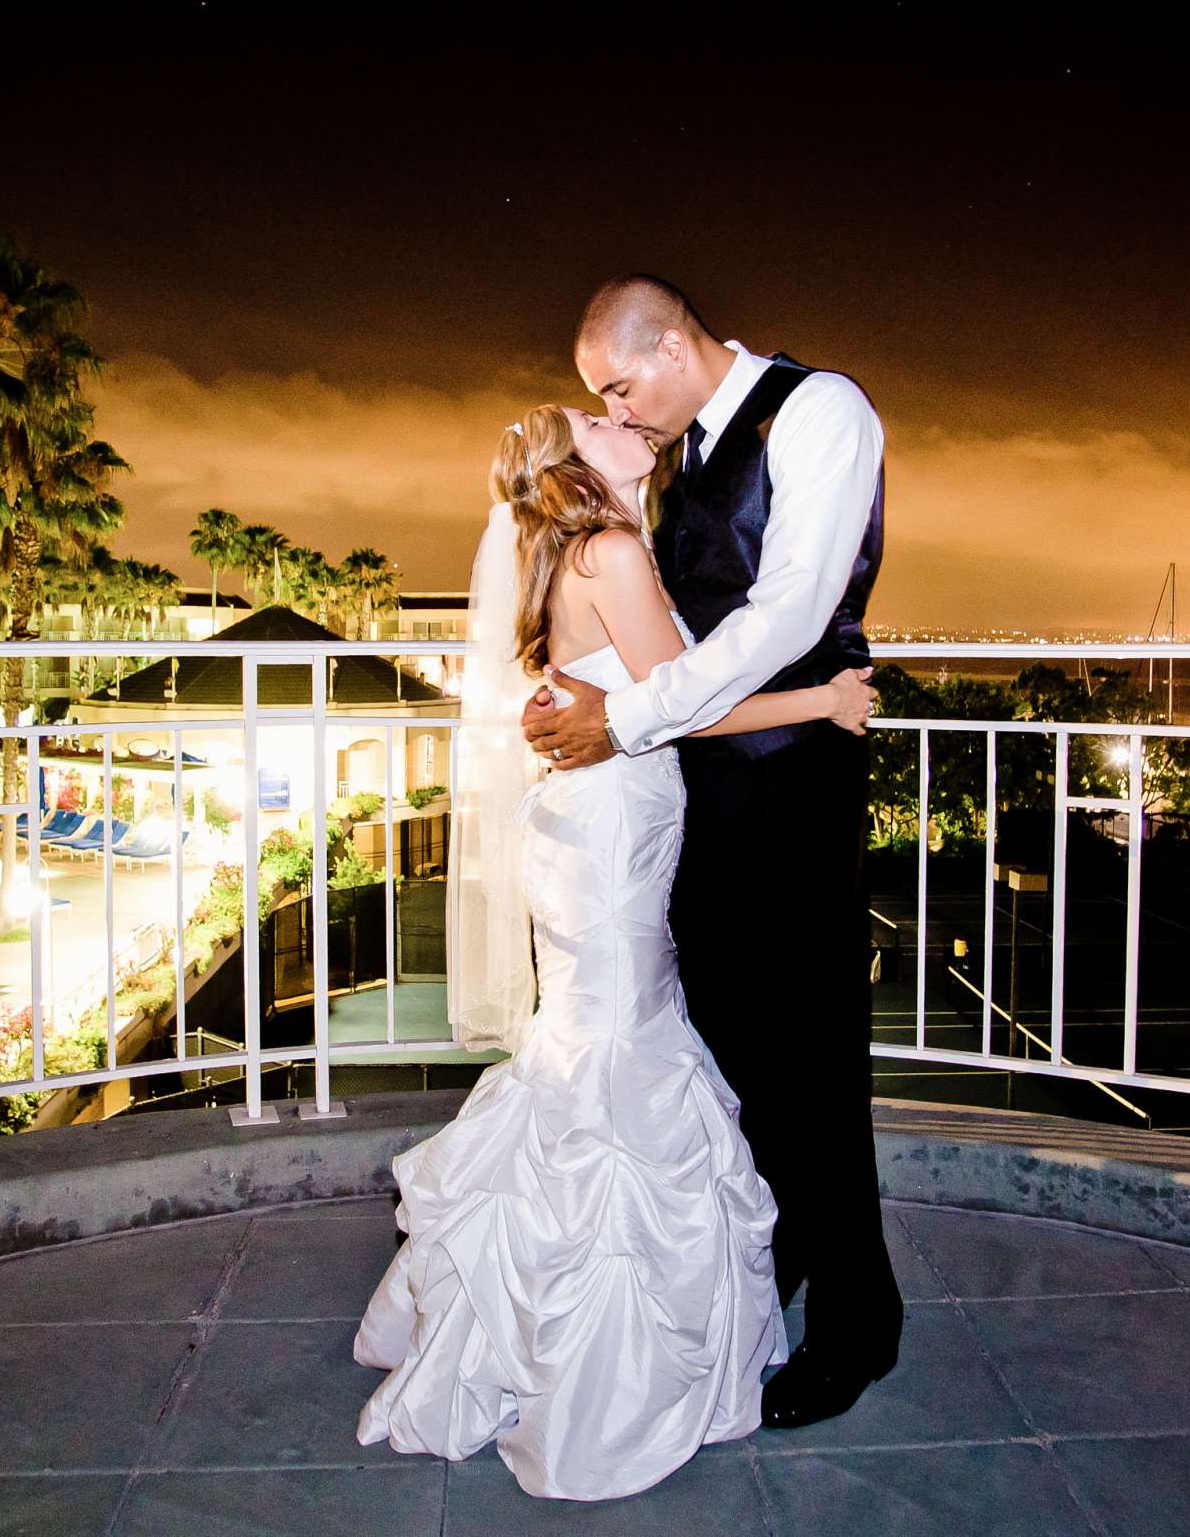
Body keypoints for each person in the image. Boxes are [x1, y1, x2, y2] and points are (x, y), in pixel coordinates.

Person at [353, 403, 875, 1501]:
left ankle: (510, 1314)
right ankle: (598, 1356)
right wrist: (822, 698)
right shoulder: (615, 550)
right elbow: (685, 703)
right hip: (615, 826)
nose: (624, 418)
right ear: (579, 459)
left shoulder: (559, 554)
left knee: (586, 1042)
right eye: (599, 414)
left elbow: (630, 688)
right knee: (619, 1056)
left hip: (578, 828)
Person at [522, 275, 903, 1430]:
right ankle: (772, 1253)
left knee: (814, 1051)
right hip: (698, 789)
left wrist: (622, 721)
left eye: (620, 386)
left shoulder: (819, 409)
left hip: (792, 778)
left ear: (675, 344)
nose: (620, 413)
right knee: (731, 1044)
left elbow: (788, 612)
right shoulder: (683, 451)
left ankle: (858, 1324)